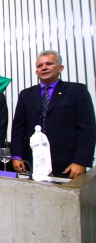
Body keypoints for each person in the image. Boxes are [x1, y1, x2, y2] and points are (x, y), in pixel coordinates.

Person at [11, 50, 96, 178]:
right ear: (36, 72)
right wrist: (16, 156)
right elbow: (18, 127)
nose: (44, 68)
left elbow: (87, 128)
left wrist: (81, 161)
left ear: (60, 68)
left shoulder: (77, 91)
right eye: (40, 66)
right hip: (32, 160)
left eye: (49, 64)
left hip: (67, 162)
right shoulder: (26, 94)